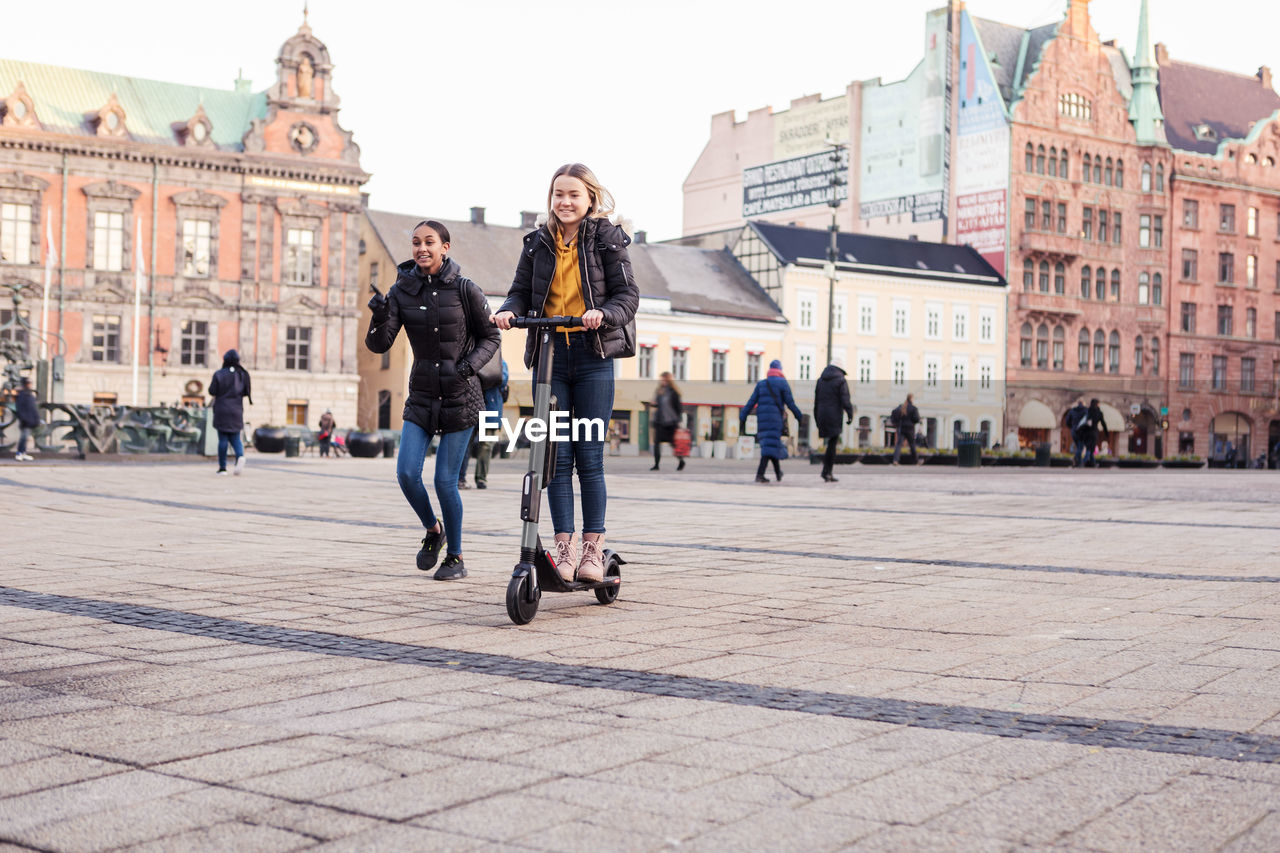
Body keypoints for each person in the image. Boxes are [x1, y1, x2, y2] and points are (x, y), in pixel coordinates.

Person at [492, 163, 639, 583]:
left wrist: (603, 313)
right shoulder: (538, 243)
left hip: (593, 355)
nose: (565, 202)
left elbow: (628, 295)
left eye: (574, 194)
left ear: (590, 197)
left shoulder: (607, 237)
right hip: (551, 356)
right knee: (554, 459)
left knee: (589, 456)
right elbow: (520, 290)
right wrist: (508, 311)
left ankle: (593, 548)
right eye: (558, 194)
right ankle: (565, 546)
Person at [366, 220, 500, 580]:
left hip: (460, 395)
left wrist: (468, 367)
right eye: (415, 243)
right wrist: (378, 317)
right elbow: (379, 344)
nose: (421, 248)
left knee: (445, 481)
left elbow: (491, 337)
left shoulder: (465, 289)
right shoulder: (401, 291)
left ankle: (455, 556)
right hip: (422, 395)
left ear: (446, 247)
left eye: (429, 242)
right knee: (407, 473)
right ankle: (433, 530)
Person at [740, 359, 802, 483]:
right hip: (775, 420)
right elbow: (790, 403)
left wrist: (743, 416)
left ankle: (778, 473)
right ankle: (760, 474)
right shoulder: (783, 383)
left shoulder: (761, 384)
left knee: (771, 445)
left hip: (762, 420)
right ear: (780, 370)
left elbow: (751, 402)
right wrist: (798, 415)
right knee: (769, 447)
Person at [208, 349, 252, 475]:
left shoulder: (219, 374)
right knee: (236, 438)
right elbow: (245, 392)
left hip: (222, 409)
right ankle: (240, 456)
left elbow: (212, 391)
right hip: (236, 410)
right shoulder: (242, 374)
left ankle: (222, 468)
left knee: (223, 439)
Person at [813, 358, 853, 482]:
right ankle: (827, 472)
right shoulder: (841, 380)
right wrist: (850, 414)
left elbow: (816, 400)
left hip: (822, 414)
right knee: (832, 444)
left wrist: (816, 417)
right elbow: (845, 399)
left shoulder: (820, 380)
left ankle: (826, 471)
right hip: (834, 415)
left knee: (830, 443)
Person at [472, 355, 508, 489]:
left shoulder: (501, 362)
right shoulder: (473, 358)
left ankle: (481, 478)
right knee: (464, 444)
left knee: (486, 445)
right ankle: (459, 477)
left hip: (491, 409)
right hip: (472, 406)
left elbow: (502, 379)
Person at [649, 371, 683, 471]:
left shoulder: (674, 392)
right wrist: (653, 404)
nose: (661, 381)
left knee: (673, 444)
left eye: (663, 379)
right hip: (660, 421)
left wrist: (679, 421)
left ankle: (681, 461)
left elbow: (678, 408)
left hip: (671, 422)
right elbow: (659, 405)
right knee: (656, 444)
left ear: (668, 379)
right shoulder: (659, 391)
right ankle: (656, 465)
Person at [14, 376, 40, 461]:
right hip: (25, 421)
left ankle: (23, 452)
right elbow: (20, 409)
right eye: (28, 383)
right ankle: (19, 453)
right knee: (23, 437)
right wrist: (24, 419)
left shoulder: (30, 395)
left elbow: (33, 409)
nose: (29, 385)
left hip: (31, 421)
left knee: (26, 438)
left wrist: (36, 419)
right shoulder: (22, 395)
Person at [890, 393, 921, 465]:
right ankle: (916, 461)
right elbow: (916, 419)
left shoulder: (902, 407)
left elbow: (894, 413)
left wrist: (897, 422)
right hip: (910, 429)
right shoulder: (913, 408)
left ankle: (895, 460)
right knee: (912, 445)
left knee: (899, 445)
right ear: (911, 399)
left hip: (902, 428)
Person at [1077, 398, 1108, 467]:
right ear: (1097, 404)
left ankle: (1093, 464)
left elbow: (1083, 421)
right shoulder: (1099, 413)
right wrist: (1106, 432)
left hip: (1086, 432)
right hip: (1093, 432)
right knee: (1090, 449)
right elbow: (1103, 423)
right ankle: (1083, 462)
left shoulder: (1087, 411)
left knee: (1090, 449)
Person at [1066, 400, 1088, 467]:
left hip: (1074, 431)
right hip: (1082, 431)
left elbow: (1067, 421)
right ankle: (1076, 459)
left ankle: (1079, 463)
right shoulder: (1086, 411)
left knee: (1078, 447)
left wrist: (1071, 427)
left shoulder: (1072, 411)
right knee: (1080, 447)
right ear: (1083, 404)